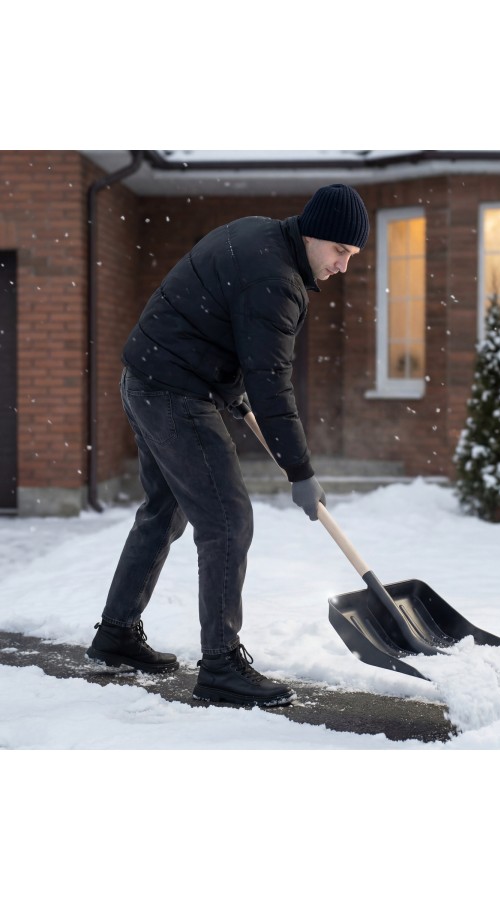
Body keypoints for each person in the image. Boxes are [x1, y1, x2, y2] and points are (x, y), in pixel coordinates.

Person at [86, 183, 370, 707]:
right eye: (340, 252)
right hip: (172, 391)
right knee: (227, 519)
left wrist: (228, 387)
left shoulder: (259, 234)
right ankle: (219, 665)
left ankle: (116, 635)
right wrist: (300, 471)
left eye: (351, 256)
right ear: (314, 235)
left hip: (146, 376)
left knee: (164, 513)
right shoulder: (277, 281)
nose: (343, 266)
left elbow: (210, 320)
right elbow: (272, 381)